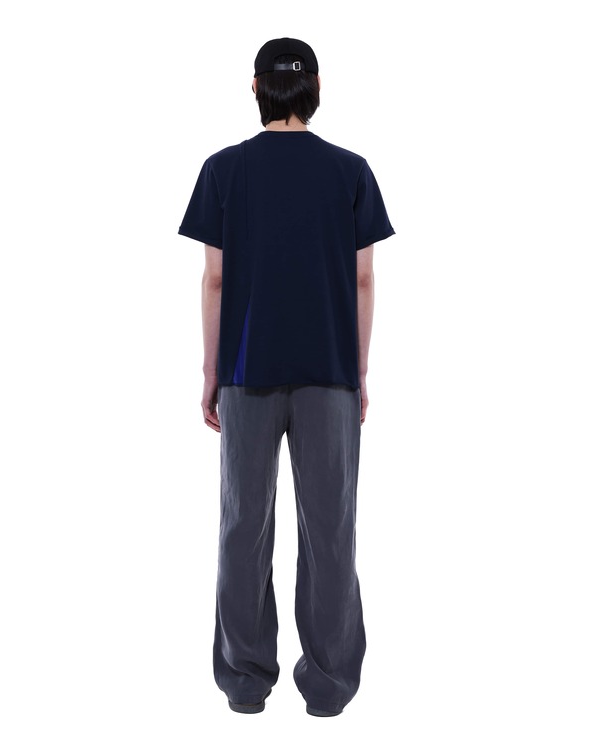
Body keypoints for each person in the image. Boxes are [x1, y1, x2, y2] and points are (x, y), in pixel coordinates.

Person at [177, 37, 395, 717]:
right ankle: (329, 685)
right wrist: (359, 368)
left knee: (244, 524)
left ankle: (245, 682)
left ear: (255, 88)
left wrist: (211, 370)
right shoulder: (351, 171)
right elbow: (363, 278)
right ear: (316, 87)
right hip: (329, 370)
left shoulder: (223, 170)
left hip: (247, 371)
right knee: (331, 528)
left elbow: (215, 279)